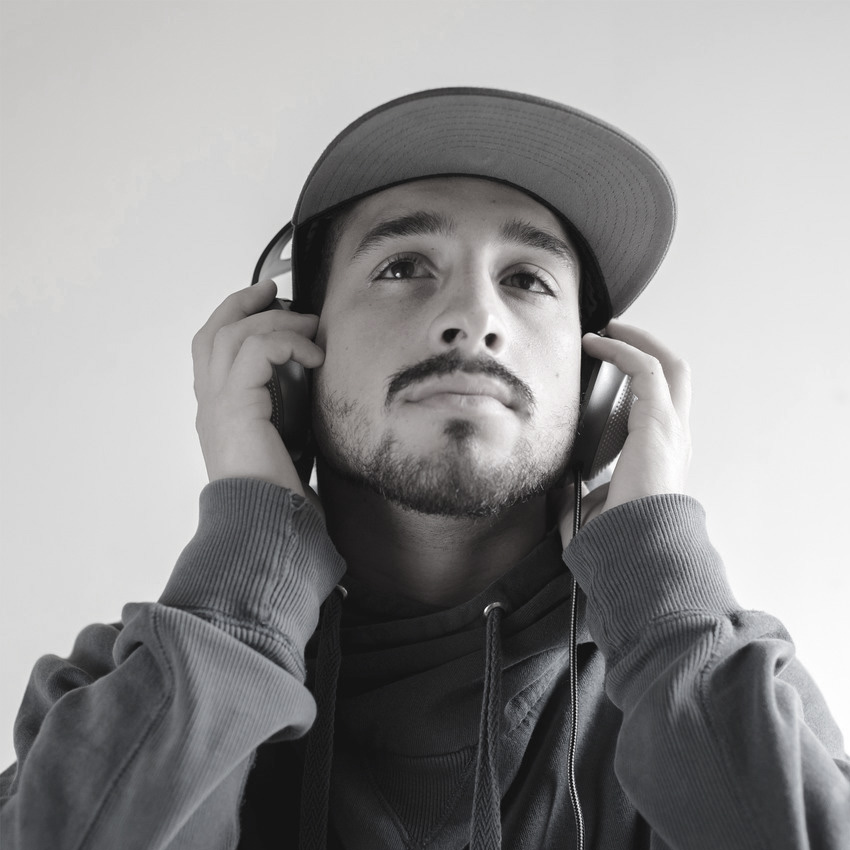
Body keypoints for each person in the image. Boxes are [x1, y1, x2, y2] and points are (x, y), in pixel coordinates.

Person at [1, 88, 847, 850]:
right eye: (403, 267)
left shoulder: (720, 684)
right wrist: (245, 559)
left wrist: (659, 581)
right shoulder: (120, 688)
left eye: (528, 280)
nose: (474, 317)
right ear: (296, 357)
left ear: (598, 388)